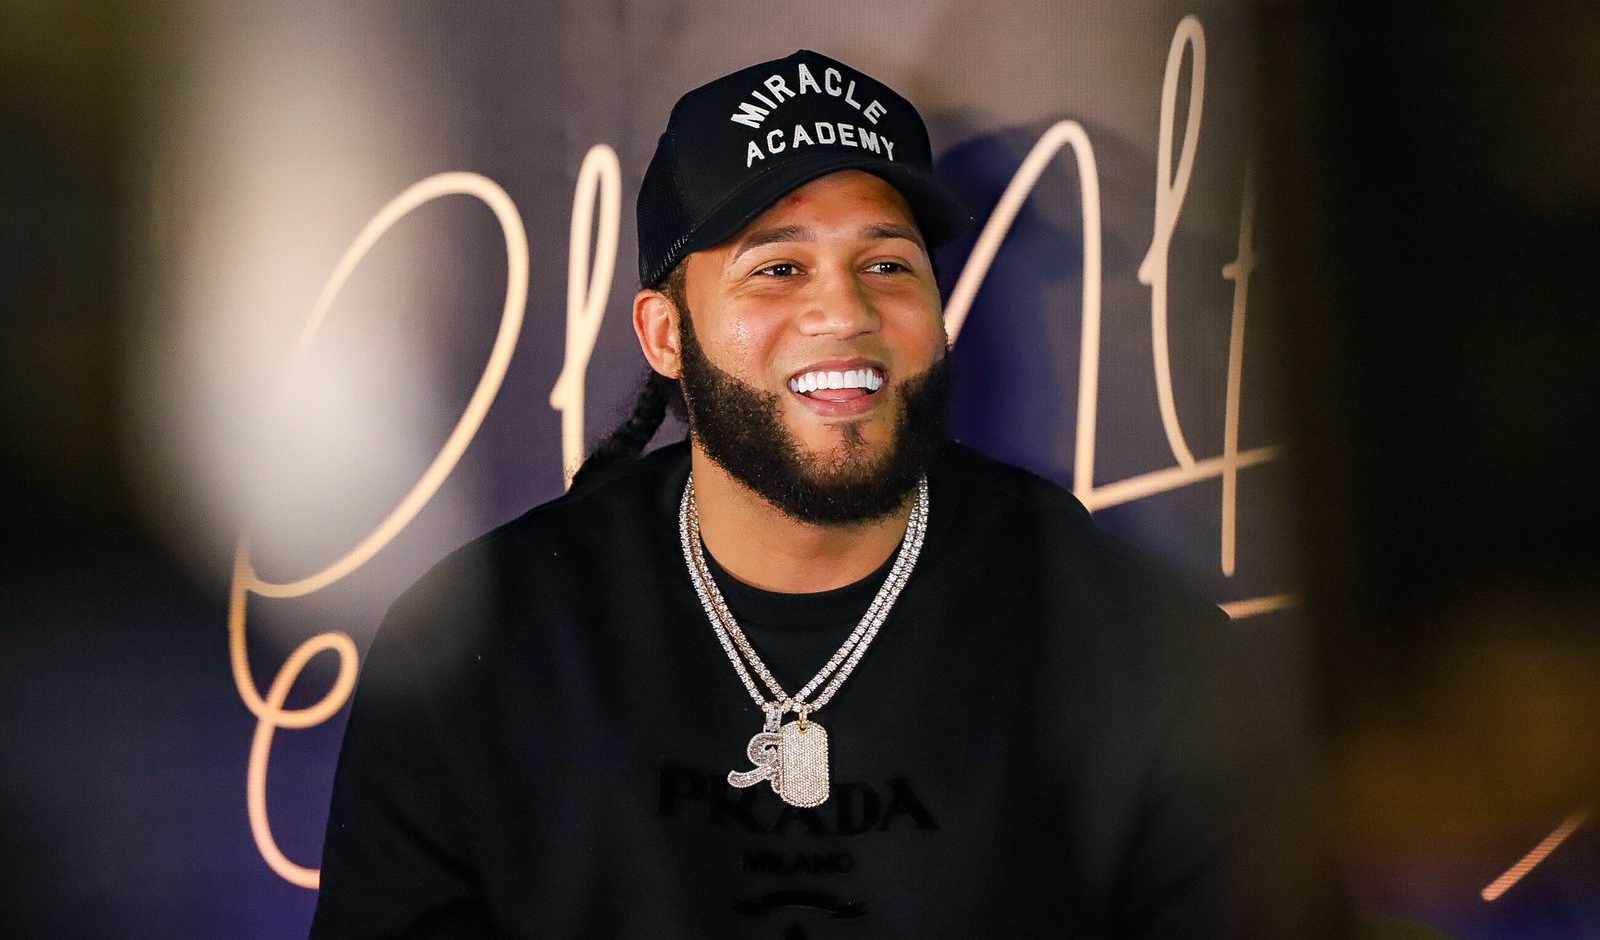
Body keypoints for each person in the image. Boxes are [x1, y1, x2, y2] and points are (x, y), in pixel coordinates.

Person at [309, 50, 1347, 938]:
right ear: (666, 333)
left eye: (887, 265)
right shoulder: (486, 644)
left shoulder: (1129, 642)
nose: (843, 312)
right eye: (777, 269)